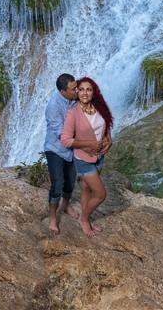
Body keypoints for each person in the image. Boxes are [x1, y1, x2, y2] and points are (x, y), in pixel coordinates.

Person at [60, 76, 113, 238]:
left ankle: (86, 217)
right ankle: (84, 219)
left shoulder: (99, 107)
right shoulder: (73, 113)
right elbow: (66, 140)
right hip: (83, 160)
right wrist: (89, 144)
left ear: (93, 92)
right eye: (81, 89)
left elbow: (105, 125)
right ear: (77, 92)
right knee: (100, 194)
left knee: (86, 188)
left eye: (88, 89)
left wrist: (108, 139)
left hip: (99, 157)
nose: (85, 93)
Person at [44, 73, 80, 234]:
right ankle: (52, 216)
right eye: (73, 89)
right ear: (63, 91)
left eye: (76, 86)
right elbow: (62, 135)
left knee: (70, 181)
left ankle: (65, 205)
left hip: (72, 149)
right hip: (55, 149)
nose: (77, 90)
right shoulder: (53, 106)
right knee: (57, 183)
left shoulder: (76, 98)